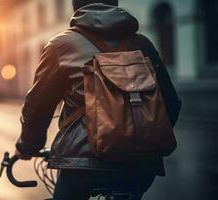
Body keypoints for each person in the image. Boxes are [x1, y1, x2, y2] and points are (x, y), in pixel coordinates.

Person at [15, 0, 182, 199]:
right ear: (115, 3)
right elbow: (170, 103)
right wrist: (140, 140)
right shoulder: (142, 43)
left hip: (83, 167)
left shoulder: (60, 46)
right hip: (140, 168)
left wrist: (27, 146)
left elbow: (37, 108)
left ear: (75, 6)